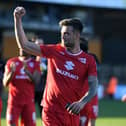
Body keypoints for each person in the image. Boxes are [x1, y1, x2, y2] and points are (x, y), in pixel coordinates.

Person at [13, 6, 98, 126]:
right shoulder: (55, 50)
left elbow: (93, 87)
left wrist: (82, 103)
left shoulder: (89, 60)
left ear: (77, 35)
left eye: (67, 34)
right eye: (62, 33)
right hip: (51, 111)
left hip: (72, 113)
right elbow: (24, 45)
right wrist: (17, 19)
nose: (63, 37)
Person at [3, 49, 41, 126]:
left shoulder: (35, 63)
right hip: (14, 102)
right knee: (11, 124)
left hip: (28, 102)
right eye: (20, 47)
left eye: (24, 46)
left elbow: (36, 81)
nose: (22, 49)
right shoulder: (11, 62)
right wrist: (12, 73)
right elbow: (5, 83)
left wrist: (27, 72)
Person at [80, 37, 99, 126]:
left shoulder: (92, 58)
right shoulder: (75, 57)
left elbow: (95, 73)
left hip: (91, 92)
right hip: (80, 93)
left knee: (91, 118)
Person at [34, 38, 47, 116]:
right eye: (37, 44)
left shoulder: (48, 60)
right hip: (31, 90)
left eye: (40, 44)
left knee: (43, 113)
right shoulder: (29, 58)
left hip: (43, 90)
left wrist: (44, 68)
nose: (39, 46)